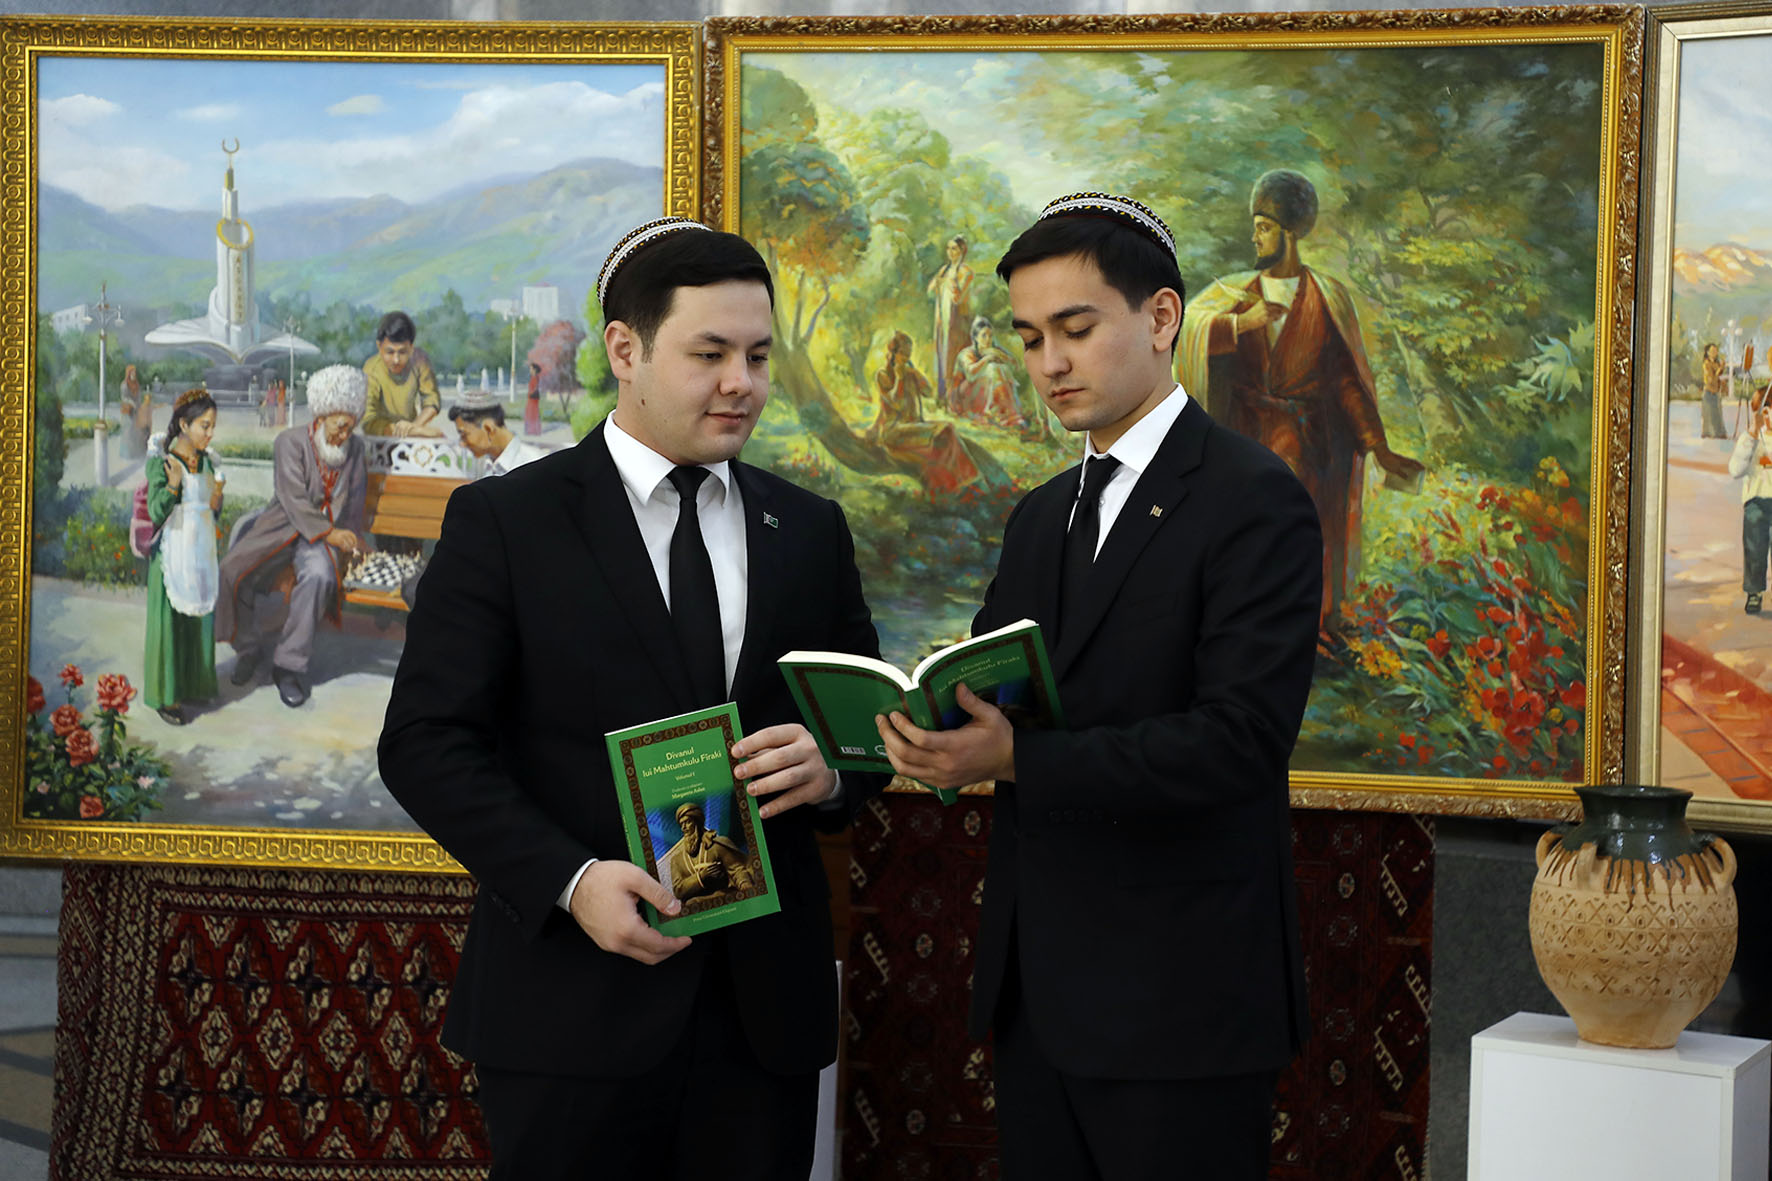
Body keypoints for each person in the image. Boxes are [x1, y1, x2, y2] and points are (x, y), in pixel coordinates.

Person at [378, 217, 887, 1180]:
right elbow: (424, 742)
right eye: (710, 353)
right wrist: (572, 882)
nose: (742, 382)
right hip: (572, 1006)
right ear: (625, 349)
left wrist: (830, 771)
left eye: (759, 356)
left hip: (761, 1019)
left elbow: (864, 729)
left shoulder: (810, 528)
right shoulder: (506, 521)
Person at [875, 192, 1323, 1180]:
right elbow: (999, 689)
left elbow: (1239, 741)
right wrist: (919, 722)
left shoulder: (1255, 499)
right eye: (1030, 337)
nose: (1048, 364)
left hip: (1182, 996)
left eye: (1074, 330)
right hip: (1038, 991)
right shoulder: (1039, 516)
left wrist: (1016, 758)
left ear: (1160, 318)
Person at [1179, 169, 1423, 635]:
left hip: (1312, 451)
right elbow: (1188, 336)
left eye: (1263, 227)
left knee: (1305, 542)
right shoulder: (1237, 295)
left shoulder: (1327, 298)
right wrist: (1240, 325)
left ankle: (1311, 629)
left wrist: (1378, 447)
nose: (1254, 237)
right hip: (1245, 442)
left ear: (1289, 233)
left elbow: (1347, 381)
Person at [216, 365, 371, 709]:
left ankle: (288, 666)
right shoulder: (290, 442)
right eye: (339, 425)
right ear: (322, 416)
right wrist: (331, 533)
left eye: (350, 426)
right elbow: (293, 499)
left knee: (319, 576)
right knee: (232, 571)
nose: (344, 434)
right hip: (280, 528)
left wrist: (353, 539)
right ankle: (247, 649)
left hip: (319, 541)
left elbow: (355, 502)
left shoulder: (356, 449)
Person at [143, 389, 224, 726]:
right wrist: (173, 486)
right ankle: (167, 695)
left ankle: (195, 684)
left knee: (198, 619)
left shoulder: (207, 462)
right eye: (204, 426)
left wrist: (217, 502)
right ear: (184, 425)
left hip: (200, 551)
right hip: (172, 553)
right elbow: (155, 511)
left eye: (212, 426)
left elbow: (210, 510)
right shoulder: (163, 462)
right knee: (171, 624)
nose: (210, 433)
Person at [867, 330, 979, 494]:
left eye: (909, 354)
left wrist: (916, 374)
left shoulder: (909, 373)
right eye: (903, 353)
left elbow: (928, 392)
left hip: (914, 426)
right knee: (945, 430)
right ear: (893, 353)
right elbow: (896, 403)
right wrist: (900, 379)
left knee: (947, 432)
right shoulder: (883, 375)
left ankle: (965, 481)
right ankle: (954, 485)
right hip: (894, 431)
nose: (906, 358)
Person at [361, 311, 443, 437]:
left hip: (412, 432)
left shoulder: (419, 360)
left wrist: (414, 426)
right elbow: (369, 420)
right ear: (379, 346)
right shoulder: (371, 369)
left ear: (411, 347)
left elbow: (432, 401)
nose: (396, 360)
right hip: (380, 437)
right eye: (390, 352)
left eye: (402, 352)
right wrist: (415, 431)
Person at [1729, 386, 1772, 614]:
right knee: (1755, 549)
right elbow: (1735, 470)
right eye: (1765, 411)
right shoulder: (1750, 438)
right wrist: (1753, 434)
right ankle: (1754, 591)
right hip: (1756, 501)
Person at [662, 801, 756, 904]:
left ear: (697, 822)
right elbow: (678, 891)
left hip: (724, 895)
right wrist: (701, 877)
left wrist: (745, 885)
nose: (683, 828)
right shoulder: (677, 860)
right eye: (681, 824)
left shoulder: (716, 845)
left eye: (687, 822)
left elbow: (736, 869)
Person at [949, 316, 1025, 429]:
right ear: (975, 338)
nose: (988, 339)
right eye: (984, 336)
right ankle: (1000, 414)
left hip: (982, 393)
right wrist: (987, 359)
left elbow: (1015, 366)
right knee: (993, 368)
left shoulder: (993, 350)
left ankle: (1006, 413)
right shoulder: (966, 353)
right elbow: (970, 374)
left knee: (1002, 369)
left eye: (990, 335)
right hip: (963, 397)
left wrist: (1001, 355)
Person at [928, 234, 975, 408]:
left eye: (954, 249)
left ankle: (953, 399)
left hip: (957, 322)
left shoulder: (966, 272)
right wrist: (940, 283)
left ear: (962, 250)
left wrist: (948, 283)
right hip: (942, 319)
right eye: (948, 249)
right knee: (941, 355)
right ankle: (941, 396)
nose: (950, 252)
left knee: (953, 357)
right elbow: (931, 290)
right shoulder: (944, 270)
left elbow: (957, 298)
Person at [448, 393, 547, 474]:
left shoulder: (535, 463)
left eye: (464, 434)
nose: (462, 444)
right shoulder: (485, 464)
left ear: (489, 430)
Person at [118, 363, 152, 460]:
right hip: (127, 411)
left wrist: (140, 404)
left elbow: (139, 397)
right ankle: (127, 454)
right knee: (128, 432)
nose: (134, 374)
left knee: (136, 431)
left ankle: (136, 453)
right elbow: (124, 397)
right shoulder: (124, 385)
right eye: (132, 373)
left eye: (134, 373)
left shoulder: (136, 384)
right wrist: (131, 402)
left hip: (136, 411)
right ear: (128, 374)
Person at [1702, 343, 1728, 439]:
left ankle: (1720, 433)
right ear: (1708, 352)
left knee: (1718, 414)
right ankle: (1711, 434)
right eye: (1712, 351)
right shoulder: (1706, 364)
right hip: (1709, 393)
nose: (1715, 352)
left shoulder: (1716, 363)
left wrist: (1722, 369)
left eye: (1716, 351)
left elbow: (1719, 377)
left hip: (1716, 392)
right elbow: (1710, 379)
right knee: (1710, 415)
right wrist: (1720, 369)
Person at [524, 360, 543, 436]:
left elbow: (535, 388)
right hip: (532, 398)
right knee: (531, 414)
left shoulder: (535, 378)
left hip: (533, 399)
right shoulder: (534, 377)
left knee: (532, 414)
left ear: (534, 370)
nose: (530, 370)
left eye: (531, 369)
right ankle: (532, 430)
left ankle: (533, 431)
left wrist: (530, 394)